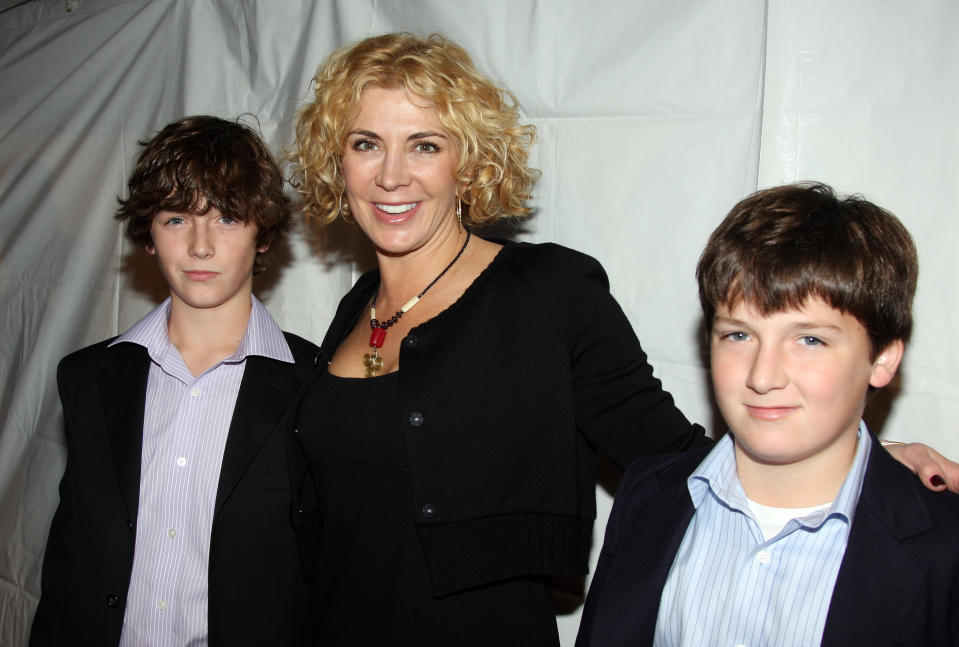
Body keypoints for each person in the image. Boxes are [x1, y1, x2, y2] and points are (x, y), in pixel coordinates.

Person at [289, 34, 959, 645]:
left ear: (467, 161)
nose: (391, 174)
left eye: (425, 144)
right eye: (365, 142)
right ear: (337, 160)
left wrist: (862, 464)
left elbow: (678, 464)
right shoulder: (354, 308)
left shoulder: (546, 294)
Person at [575, 183, 959, 646]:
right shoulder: (648, 497)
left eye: (809, 340)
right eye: (738, 335)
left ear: (883, 359)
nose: (762, 376)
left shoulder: (944, 546)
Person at [31, 116, 318, 646]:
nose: (201, 246)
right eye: (176, 219)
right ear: (147, 234)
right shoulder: (88, 379)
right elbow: (70, 557)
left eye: (228, 218)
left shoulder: (315, 387)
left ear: (262, 235)